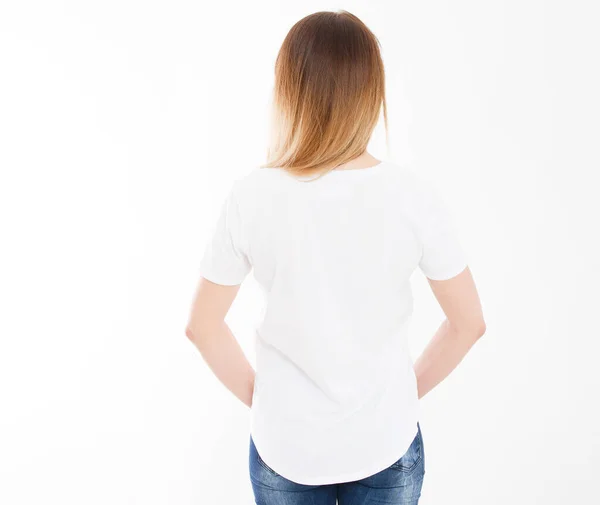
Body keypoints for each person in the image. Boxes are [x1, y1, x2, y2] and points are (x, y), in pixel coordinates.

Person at [185, 9, 486, 505]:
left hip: (287, 447)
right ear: (371, 93)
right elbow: (469, 322)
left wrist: (267, 403)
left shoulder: (252, 196)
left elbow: (201, 325)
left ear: (289, 90)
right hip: (385, 442)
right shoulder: (411, 196)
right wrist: (401, 396)